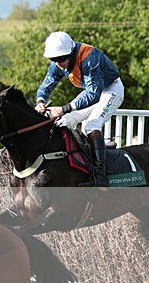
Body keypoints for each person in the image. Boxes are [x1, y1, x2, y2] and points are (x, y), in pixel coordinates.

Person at [35, 31, 124, 188]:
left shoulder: (89, 57)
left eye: (61, 59)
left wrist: (64, 108)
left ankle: (100, 174)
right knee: (65, 121)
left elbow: (94, 95)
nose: (57, 63)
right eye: (53, 59)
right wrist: (40, 101)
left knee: (91, 125)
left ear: (71, 52)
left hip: (111, 90)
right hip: (93, 92)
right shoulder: (58, 61)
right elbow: (47, 84)